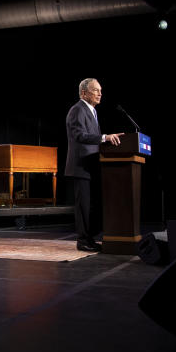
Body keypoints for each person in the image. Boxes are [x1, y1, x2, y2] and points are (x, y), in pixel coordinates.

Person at [65, 78, 123, 252]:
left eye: (100, 90)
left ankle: (89, 238)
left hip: (91, 165)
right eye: (95, 90)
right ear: (84, 93)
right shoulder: (77, 110)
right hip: (81, 165)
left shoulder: (91, 111)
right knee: (83, 206)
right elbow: (80, 135)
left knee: (91, 206)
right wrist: (104, 137)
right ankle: (82, 240)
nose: (100, 94)